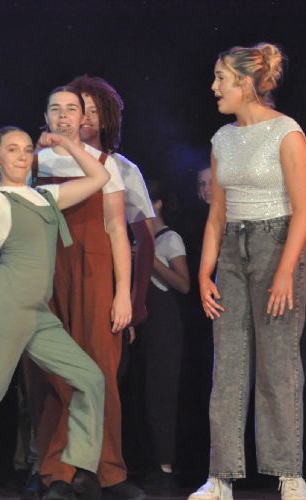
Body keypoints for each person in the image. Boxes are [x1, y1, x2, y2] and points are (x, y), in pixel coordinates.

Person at [0, 127, 110, 500]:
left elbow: (99, 176)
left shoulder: (46, 197)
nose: (22, 156)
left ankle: (81, 471)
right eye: (12, 150)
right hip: (4, 301)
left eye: (27, 149)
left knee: (90, 378)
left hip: (36, 310)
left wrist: (68, 143)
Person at [189, 43, 306, 500]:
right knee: (228, 367)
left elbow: (303, 211)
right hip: (232, 255)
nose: (213, 86)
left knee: (278, 365)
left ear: (244, 82)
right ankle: (220, 477)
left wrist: (285, 271)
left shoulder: (286, 132)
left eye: (220, 78)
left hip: (277, 246)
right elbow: (216, 215)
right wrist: (205, 273)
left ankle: (289, 474)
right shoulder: (222, 138)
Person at [31, 86, 146, 500]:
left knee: (101, 371)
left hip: (94, 271)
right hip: (47, 270)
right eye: (55, 109)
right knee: (54, 373)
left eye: (71, 109)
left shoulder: (104, 163)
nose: (63, 116)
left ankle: (107, 472)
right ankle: (56, 473)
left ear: (84, 118)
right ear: (46, 116)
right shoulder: (34, 163)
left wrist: (123, 292)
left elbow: (117, 228)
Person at [67, 75, 155, 329]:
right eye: (79, 110)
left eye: (94, 111)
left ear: (107, 118)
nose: (86, 118)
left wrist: (136, 298)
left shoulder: (124, 169)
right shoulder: (50, 163)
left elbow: (145, 240)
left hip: (103, 277)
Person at [136, 180, 189, 485]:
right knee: (145, 391)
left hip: (166, 323)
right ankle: (149, 461)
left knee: (162, 391)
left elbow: (184, 284)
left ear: (156, 204)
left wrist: (150, 259)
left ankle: (166, 464)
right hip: (145, 323)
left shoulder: (170, 239)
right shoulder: (139, 238)